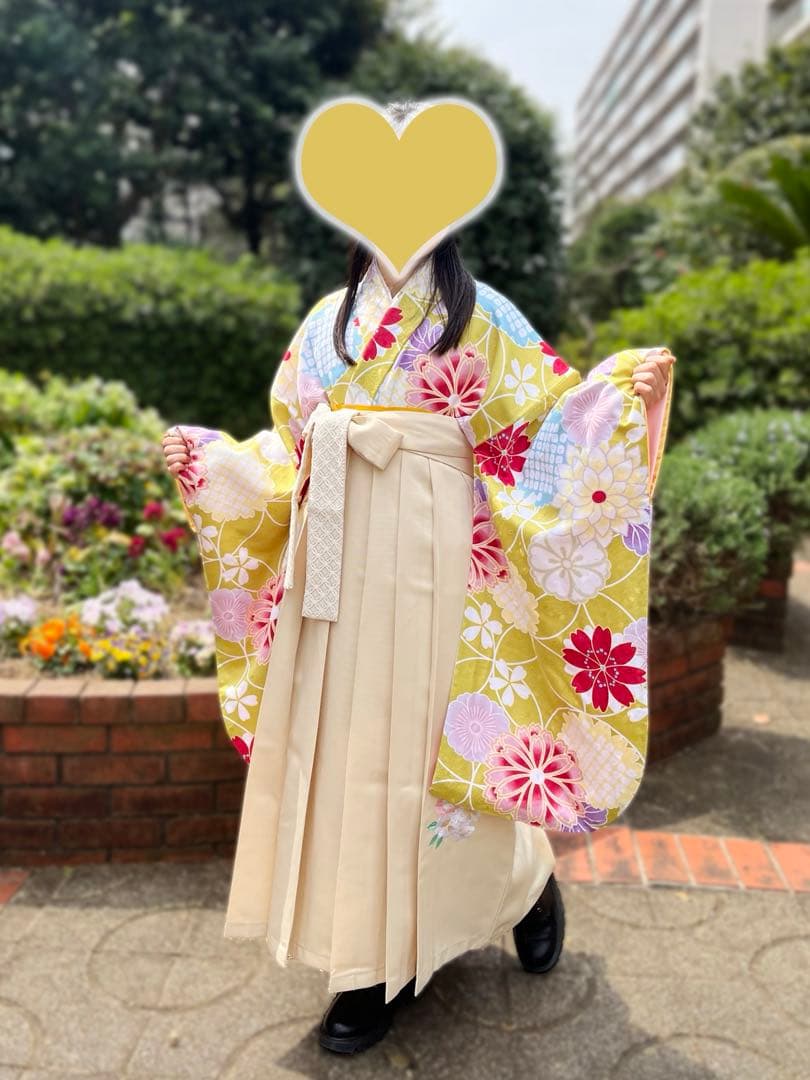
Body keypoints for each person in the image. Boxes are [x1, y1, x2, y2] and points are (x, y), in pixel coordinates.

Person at [161, 101, 675, 1056]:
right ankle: (363, 961)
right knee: (342, 751)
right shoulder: (324, 327)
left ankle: (518, 886)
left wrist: (616, 398)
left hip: (445, 564)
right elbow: (289, 448)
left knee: (430, 753)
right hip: (333, 562)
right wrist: (218, 466)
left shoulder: (489, 321)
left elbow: (546, 440)